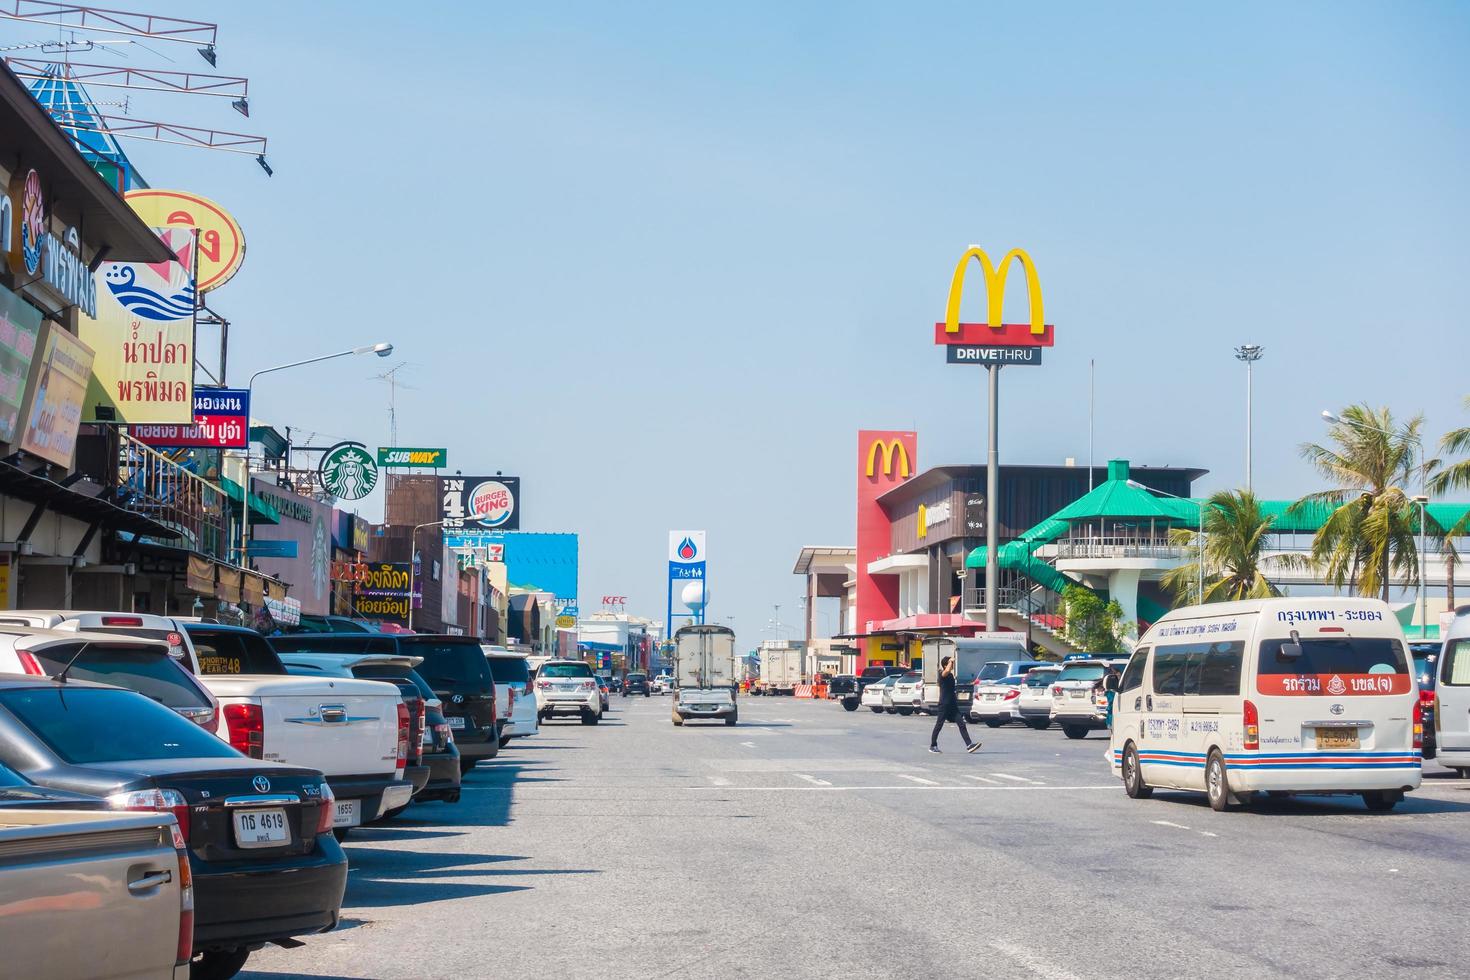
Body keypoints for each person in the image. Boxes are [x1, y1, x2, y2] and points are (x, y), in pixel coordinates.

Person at [930, 655, 981, 754]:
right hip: (944, 704)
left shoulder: (950, 675)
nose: (952, 665)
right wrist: (950, 661)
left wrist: (972, 683)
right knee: (939, 725)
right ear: (945, 665)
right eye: (950, 664)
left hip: (952, 705)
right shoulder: (942, 674)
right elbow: (945, 672)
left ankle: (969, 745)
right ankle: (933, 745)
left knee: (961, 724)